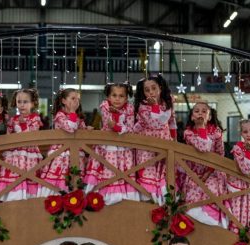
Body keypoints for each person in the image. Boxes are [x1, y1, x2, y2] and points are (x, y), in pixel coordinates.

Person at [84, 82, 139, 205]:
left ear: (126, 98)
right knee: (107, 169)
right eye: (114, 95)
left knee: (123, 171)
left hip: (124, 147)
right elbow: (109, 123)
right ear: (108, 97)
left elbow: (130, 128)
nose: (117, 99)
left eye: (121, 96)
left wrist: (118, 127)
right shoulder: (104, 105)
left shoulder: (130, 108)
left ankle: (124, 199)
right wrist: (118, 125)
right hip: (106, 145)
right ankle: (101, 196)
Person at [181, 102, 228, 228]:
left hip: (212, 172)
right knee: (194, 196)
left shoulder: (216, 133)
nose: (200, 113)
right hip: (194, 173)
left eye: (204, 111)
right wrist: (201, 128)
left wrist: (209, 171)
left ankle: (213, 225)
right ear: (192, 117)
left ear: (210, 117)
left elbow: (220, 153)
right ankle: (194, 224)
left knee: (211, 192)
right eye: (196, 111)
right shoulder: (188, 133)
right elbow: (204, 148)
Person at [133, 74, 177, 205]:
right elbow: (156, 123)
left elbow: (171, 122)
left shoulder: (168, 102)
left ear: (160, 88)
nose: (151, 92)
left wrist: (175, 142)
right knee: (149, 173)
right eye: (147, 90)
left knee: (164, 174)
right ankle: (148, 204)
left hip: (165, 142)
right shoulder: (143, 106)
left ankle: (163, 206)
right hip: (147, 145)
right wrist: (155, 107)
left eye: (154, 88)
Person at [38, 88, 88, 197]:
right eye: (73, 98)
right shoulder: (60, 115)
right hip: (61, 153)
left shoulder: (78, 117)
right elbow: (70, 128)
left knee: (76, 177)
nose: (76, 101)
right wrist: (73, 112)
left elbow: (82, 130)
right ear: (64, 101)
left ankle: (76, 197)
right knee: (60, 176)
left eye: (78, 99)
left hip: (75, 152)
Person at [0, 88, 43, 201]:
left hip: (29, 153)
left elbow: (33, 135)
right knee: (15, 175)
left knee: (29, 175)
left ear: (32, 103)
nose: (22, 105)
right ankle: (12, 199)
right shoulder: (13, 119)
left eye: (25, 102)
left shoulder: (35, 118)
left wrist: (23, 125)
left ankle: (29, 199)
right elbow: (9, 135)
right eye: (19, 102)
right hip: (14, 155)